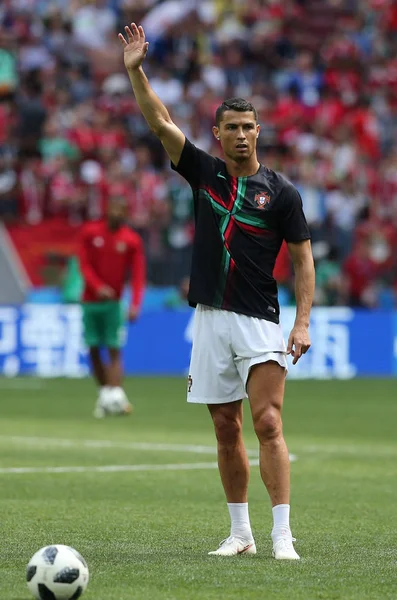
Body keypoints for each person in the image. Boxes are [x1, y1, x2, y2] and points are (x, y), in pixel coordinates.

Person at [118, 23, 315, 560]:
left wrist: (301, 321)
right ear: (219, 132)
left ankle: (282, 536)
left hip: (259, 320)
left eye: (250, 126)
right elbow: (159, 121)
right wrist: (136, 70)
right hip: (209, 317)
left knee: (268, 422)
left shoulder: (282, 193)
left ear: (259, 131)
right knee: (225, 427)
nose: (243, 135)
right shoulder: (204, 174)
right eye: (232, 127)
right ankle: (241, 534)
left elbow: (302, 257)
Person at [79, 195, 146, 418]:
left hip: (114, 304)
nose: (117, 213)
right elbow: (84, 264)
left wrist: (135, 303)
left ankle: (114, 396)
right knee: (93, 349)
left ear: (125, 212)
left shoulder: (131, 240)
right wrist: (97, 286)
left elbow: (138, 275)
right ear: (107, 210)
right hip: (90, 302)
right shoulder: (90, 232)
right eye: (114, 208)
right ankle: (107, 396)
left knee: (114, 349)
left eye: (121, 209)